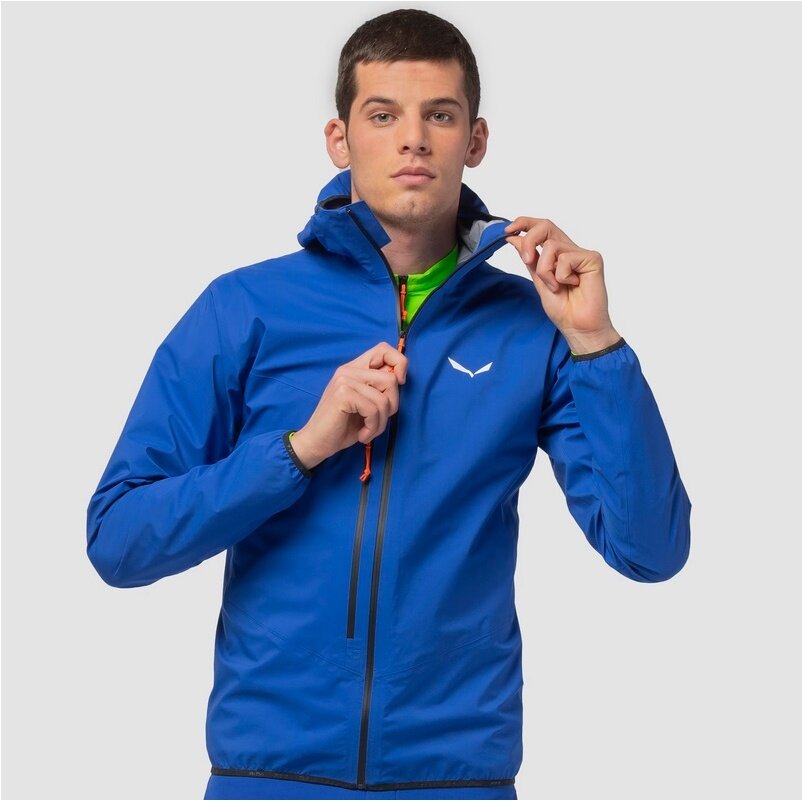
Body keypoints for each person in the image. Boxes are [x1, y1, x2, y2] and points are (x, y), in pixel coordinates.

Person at [86, 8, 692, 801]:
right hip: (268, 777)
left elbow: (650, 549)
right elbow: (119, 539)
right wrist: (300, 449)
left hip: (458, 778)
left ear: (475, 140)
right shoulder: (244, 309)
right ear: (339, 139)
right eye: (383, 115)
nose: (413, 140)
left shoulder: (531, 326)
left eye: (440, 115)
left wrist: (596, 342)